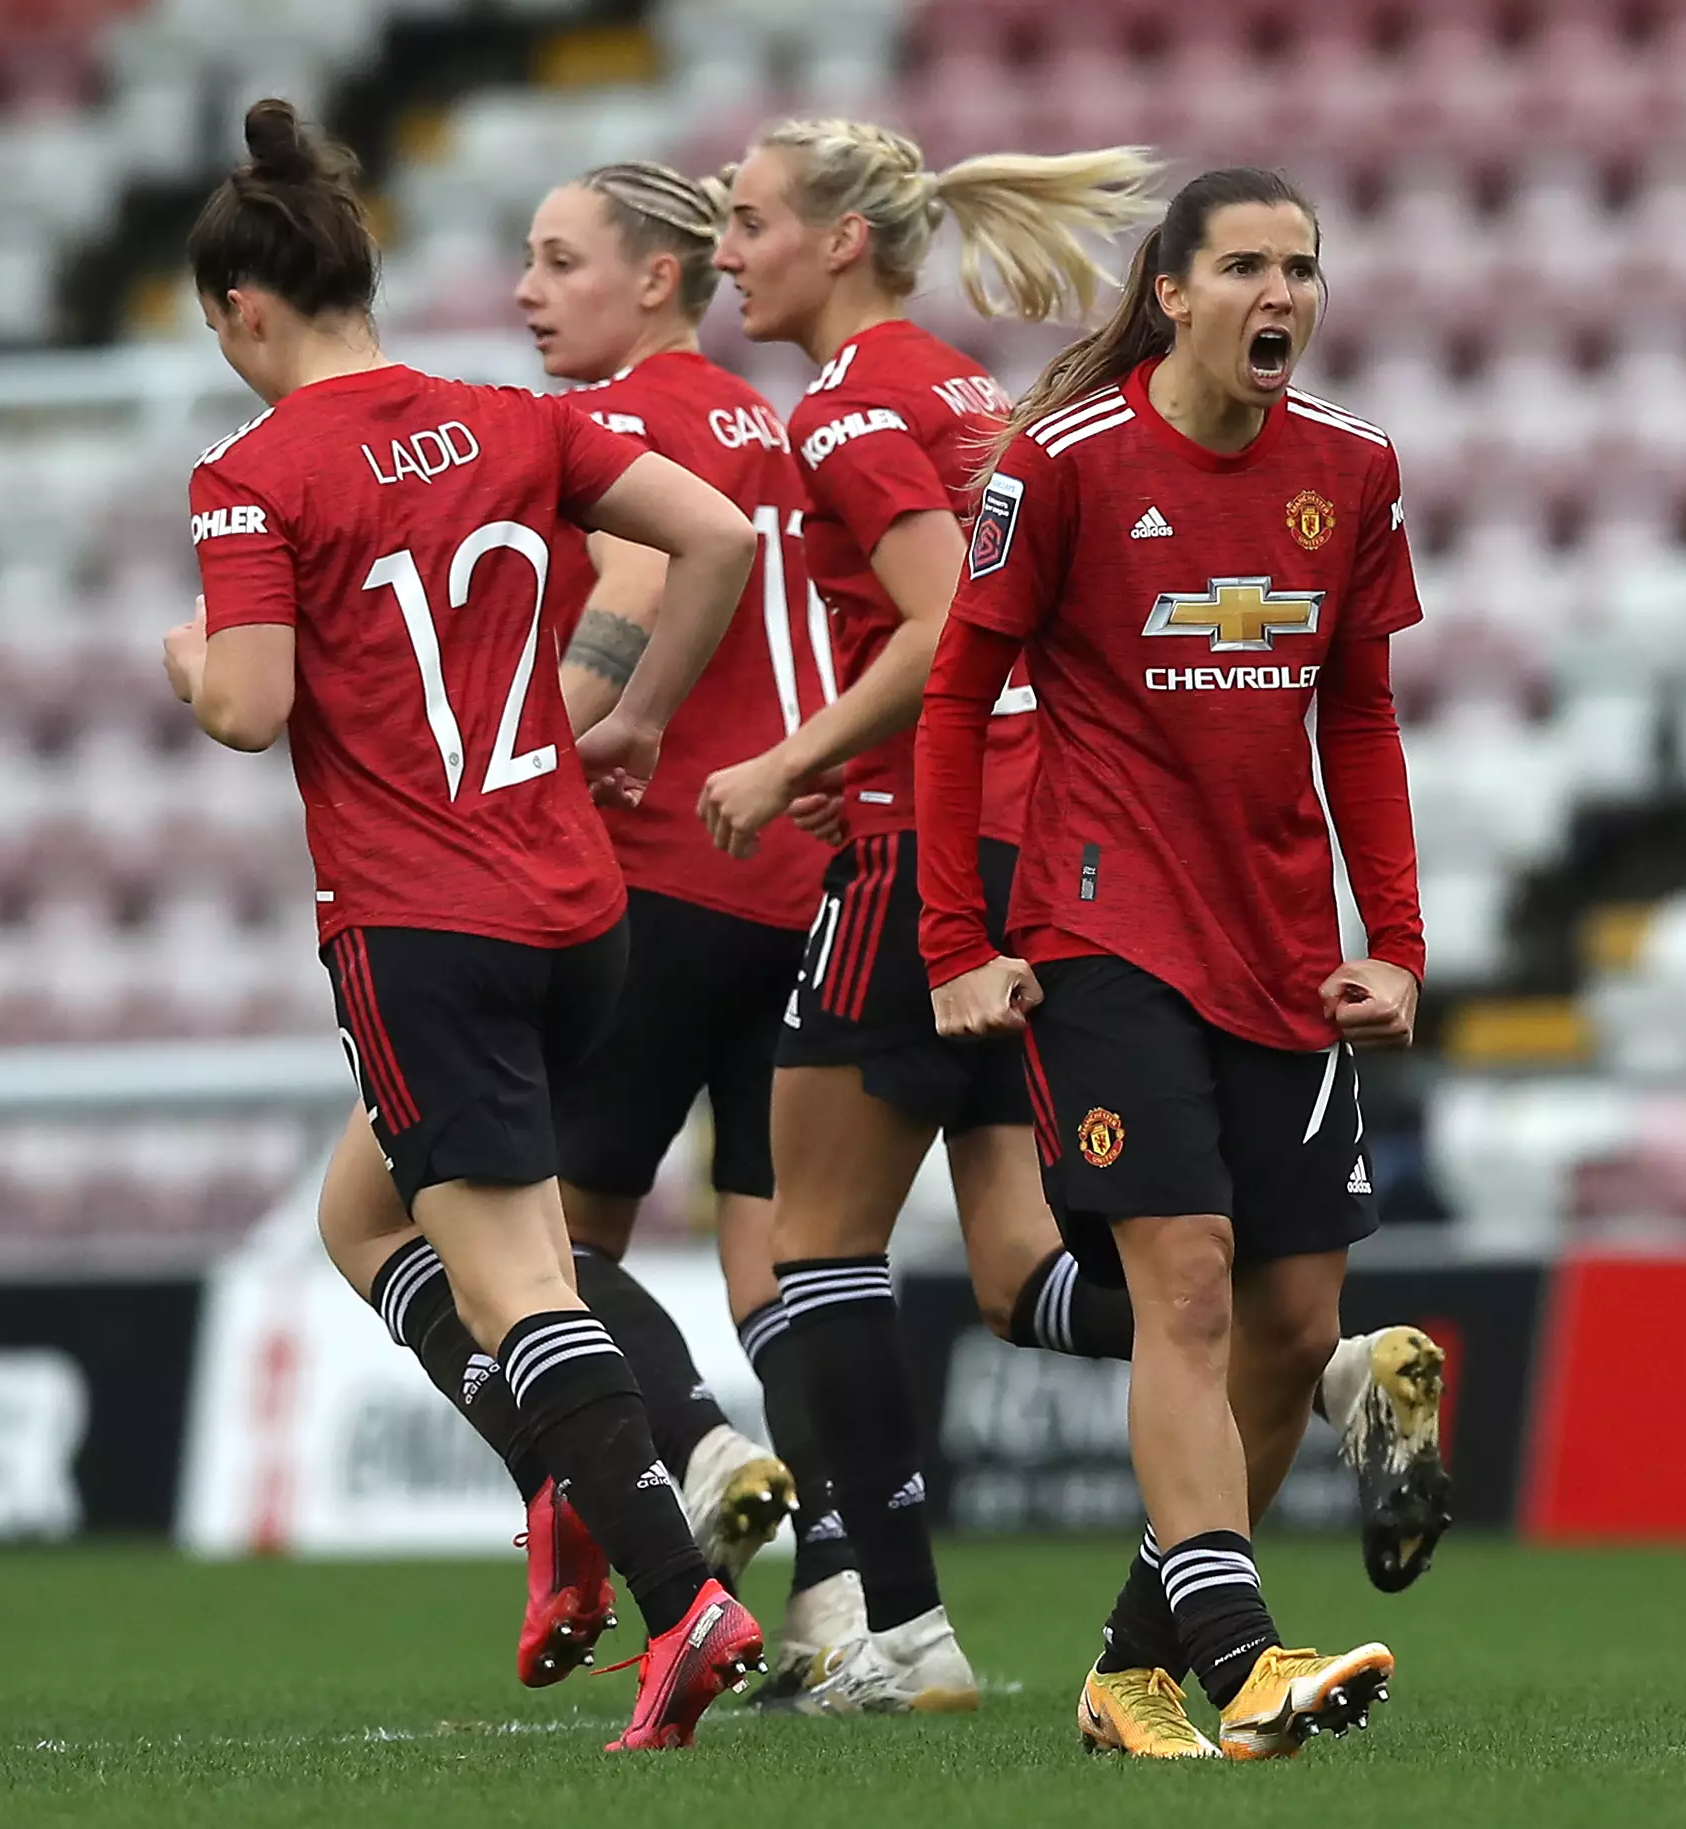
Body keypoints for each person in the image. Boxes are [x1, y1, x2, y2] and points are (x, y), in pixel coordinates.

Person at [165, 100, 762, 1750]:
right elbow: (716, 534)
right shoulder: (509, 417)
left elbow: (245, 707)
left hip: (424, 923)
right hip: (579, 913)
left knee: (514, 1282)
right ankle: (558, 1477)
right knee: (366, 1218)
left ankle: (679, 1598)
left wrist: (181, 657)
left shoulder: (250, 475)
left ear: (243, 311)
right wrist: (638, 717)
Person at [918, 167, 1429, 1760]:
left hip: (1280, 947)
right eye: (1250, 268)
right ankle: (1244, 1659)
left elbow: (1358, 712)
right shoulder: (1060, 466)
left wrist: (1397, 939)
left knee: (1291, 1327)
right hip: (1104, 927)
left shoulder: (1349, 468)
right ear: (1176, 291)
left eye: (1305, 267)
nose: (1284, 294)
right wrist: (961, 940)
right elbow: (955, 701)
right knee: (1187, 1288)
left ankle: (1128, 1669)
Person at [699, 117, 1160, 1713]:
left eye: (748, 220)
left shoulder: (848, 406)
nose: (725, 251)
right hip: (1038, 844)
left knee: (808, 1247)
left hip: (929, 862)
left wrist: (792, 759)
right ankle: (1320, 1368)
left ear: (839, 241)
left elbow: (942, 619)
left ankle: (903, 1638)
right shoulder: (962, 382)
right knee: (1018, 1264)